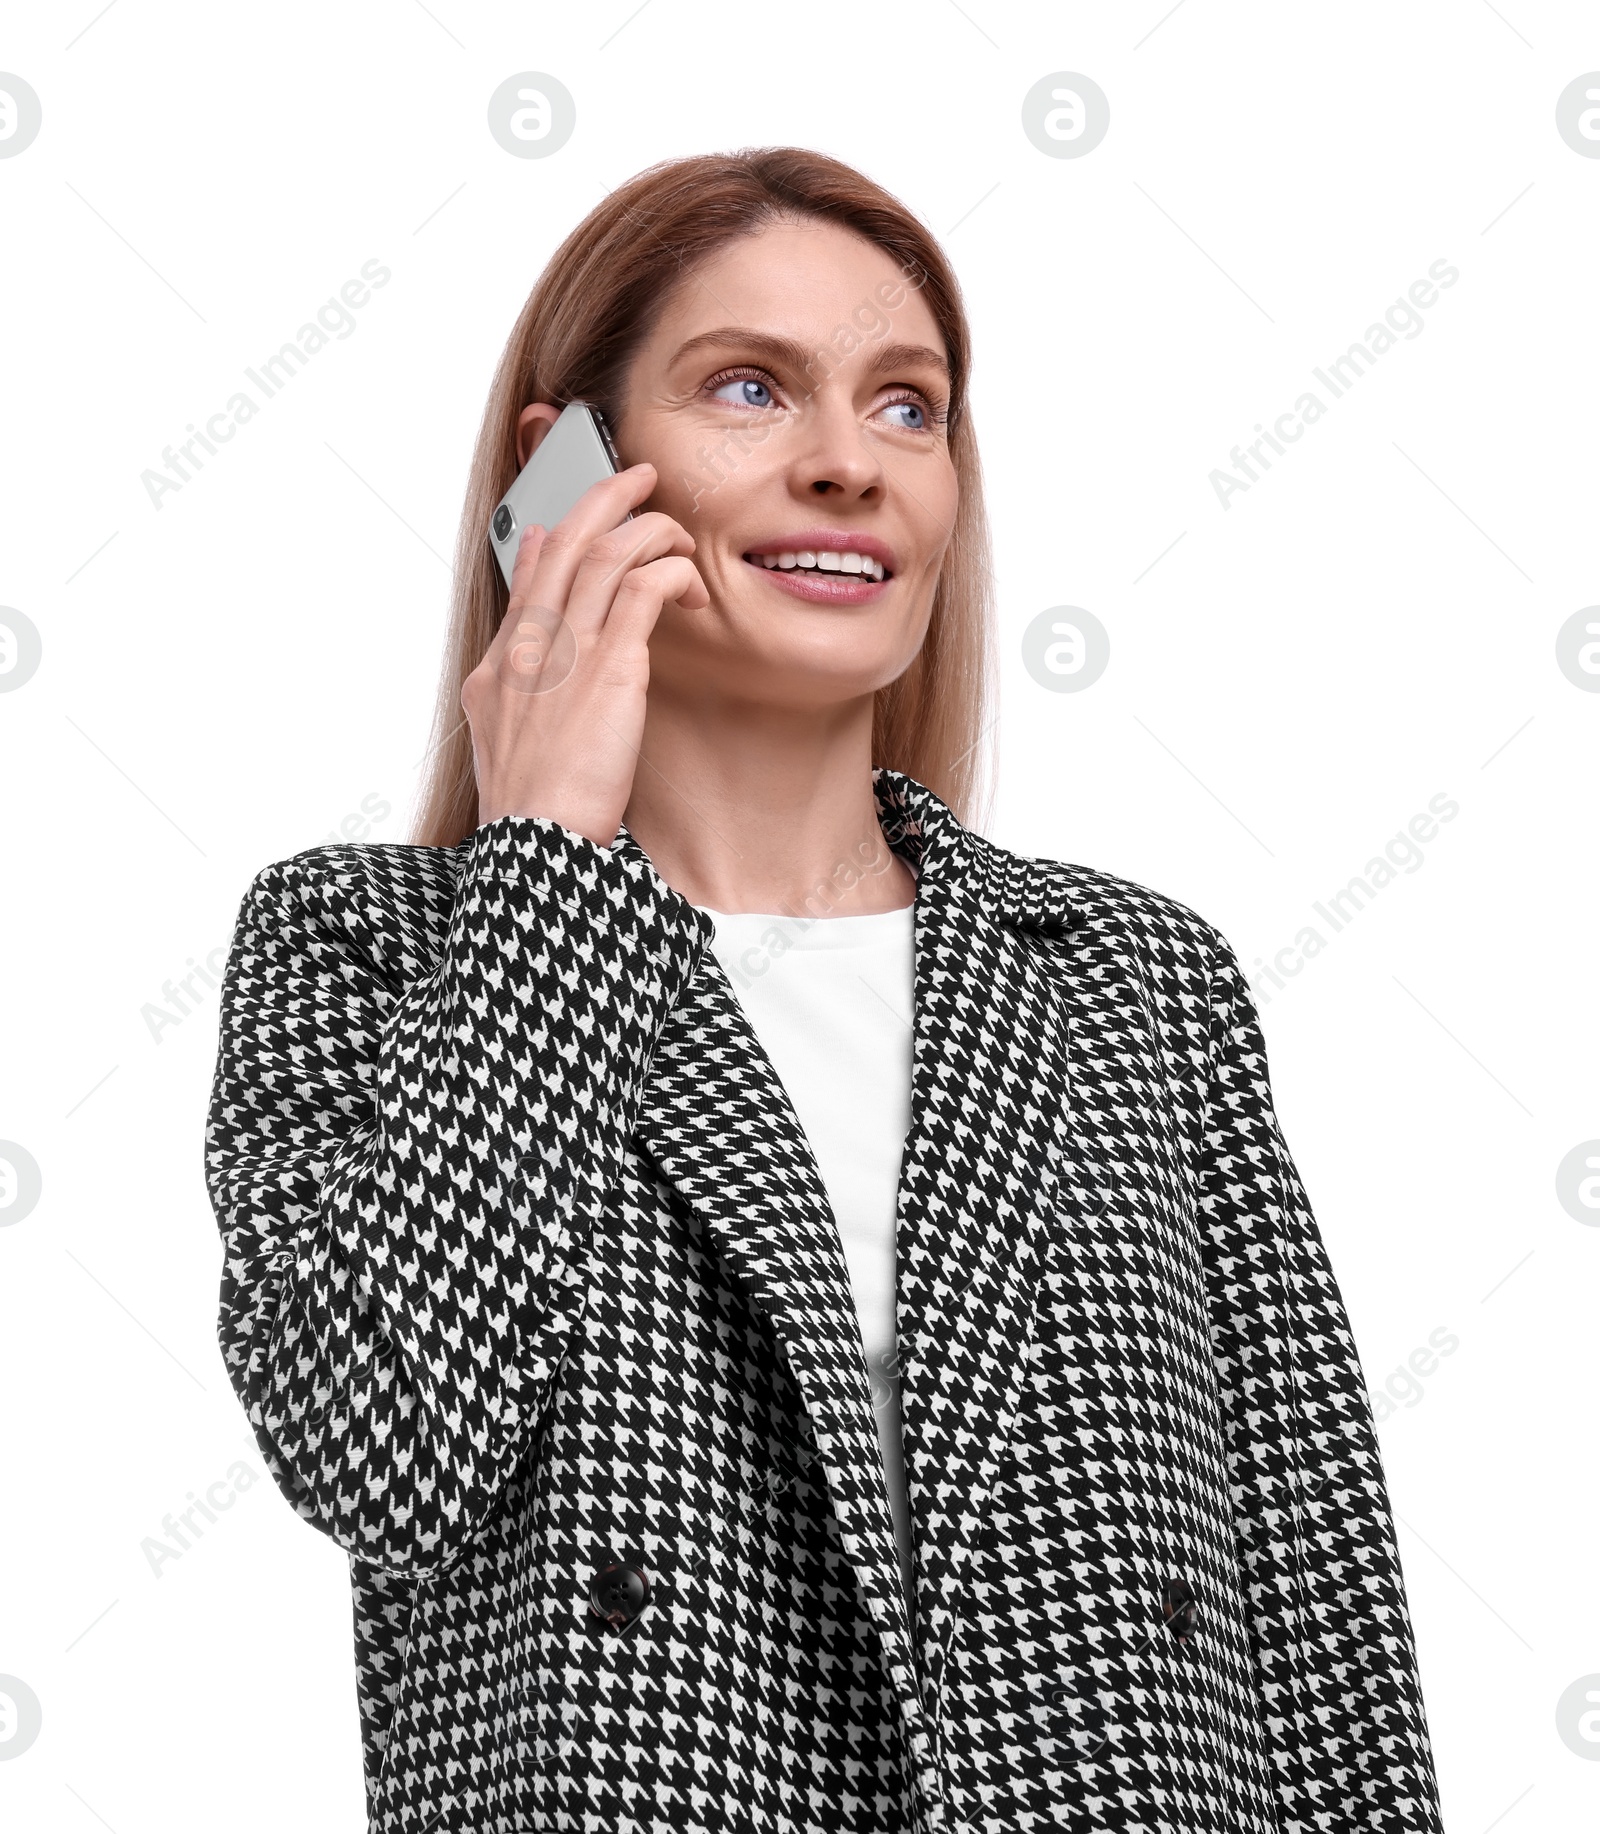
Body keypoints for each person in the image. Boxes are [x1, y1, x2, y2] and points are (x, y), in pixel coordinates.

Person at [204, 146, 1446, 1834]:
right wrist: (549, 859)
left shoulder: (1138, 980)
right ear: (564, 474)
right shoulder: (372, 948)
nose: (850, 464)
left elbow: (1320, 1628)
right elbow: (381, 1450)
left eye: (909, 406)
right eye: (748, 388)